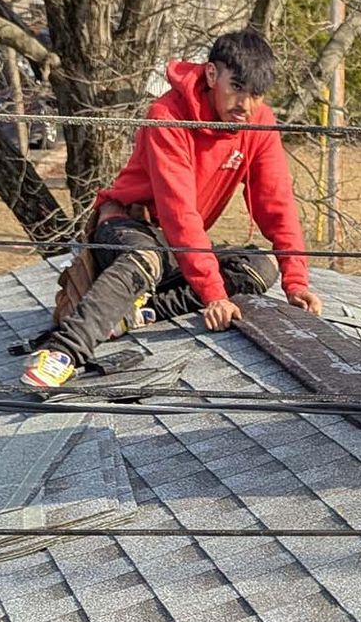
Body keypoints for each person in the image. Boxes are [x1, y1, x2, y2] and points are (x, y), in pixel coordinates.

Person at [22, 31, 320, 392]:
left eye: (255, 94)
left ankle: (141, 312)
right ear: (212, 75)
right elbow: (179, 211)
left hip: (176, 247)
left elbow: (277, 205)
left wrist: (296, 281)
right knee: (146, 257)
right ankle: (62, 352)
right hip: (127, 227)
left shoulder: (259, 124)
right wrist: (213, 294)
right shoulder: (166, 116)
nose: (245, 103)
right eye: (237, 87)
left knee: (260, 267)